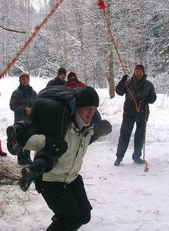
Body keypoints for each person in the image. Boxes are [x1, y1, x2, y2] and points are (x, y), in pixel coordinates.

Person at [9, 86, 111, 230]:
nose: (91, 113)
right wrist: (19, 137)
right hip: (51, 180)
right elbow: (36, 141)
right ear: (78, 107)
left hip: (72, 177)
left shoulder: (89, 128)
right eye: (88, 108)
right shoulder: (61, 126)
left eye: (94, 109)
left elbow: (91, 138)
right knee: (70, 218)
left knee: (84, 216)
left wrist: (102, 130)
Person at [114, 64, 157, 166]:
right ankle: (119, 157)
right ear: (134, 72)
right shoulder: (128, 83)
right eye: (137, 71)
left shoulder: (149, 85)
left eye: (140, 72)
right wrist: (122, 81)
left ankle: (136, 157)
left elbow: (153, 98)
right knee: (124, 135)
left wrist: (147, 100)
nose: (138, 73)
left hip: (143, 113)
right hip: (129, 113)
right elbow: (119, 92)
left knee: (140, 136)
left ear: (143, 73)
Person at [9, 73, 37, 165]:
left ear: (29, 80)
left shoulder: (32, 92)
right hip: (19, 120)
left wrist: (32, 109)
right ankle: (20, 158)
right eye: (23, 79)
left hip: (30, 120)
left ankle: (27, 157)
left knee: (28, 138)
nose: (25, 81)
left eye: (27, 79)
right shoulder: (16, 92)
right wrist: (24, 108)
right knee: (20, 138)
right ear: (20, 81)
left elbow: (38, 104)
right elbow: (12, 106)